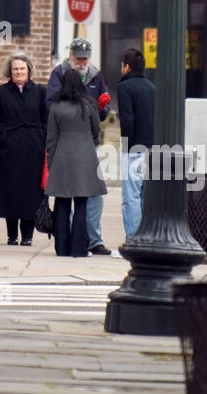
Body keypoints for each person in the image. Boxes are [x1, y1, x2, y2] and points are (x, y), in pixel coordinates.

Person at [46, 38, 111, 255]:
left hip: (63, 152)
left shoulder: (95, 75)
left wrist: (52, 159)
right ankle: (81, 245)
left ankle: (68, 244)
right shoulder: (60, 73)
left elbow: (52, 133)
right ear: (71, 56)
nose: (82, 61)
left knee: (65, 201)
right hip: (85, 151)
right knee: (83, 200)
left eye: (85, 58)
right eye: (78, 57)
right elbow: (96, 126)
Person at [0, 53, 48, 246]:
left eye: (22, 68)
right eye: (15, 69)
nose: (19, 72)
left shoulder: (40, 92)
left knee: (30, 192)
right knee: (10, 191)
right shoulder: (1, 92)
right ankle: (12, 234)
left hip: (33, 149)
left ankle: (28, 235)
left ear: (29, 69)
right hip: (10, 149)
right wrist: (6, 139)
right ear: (10, 71)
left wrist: (40, 140)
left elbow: (47, 120)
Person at [117, 47, 156, 239]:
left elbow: (127, 120)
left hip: (134, 150)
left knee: (130, 198)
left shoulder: (125, 87)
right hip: (152, 149)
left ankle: (133, 239)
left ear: (126, 67)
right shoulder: (152, 88)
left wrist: (126, 147)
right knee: (145, 198)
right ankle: (146, 237)